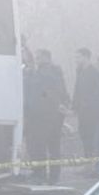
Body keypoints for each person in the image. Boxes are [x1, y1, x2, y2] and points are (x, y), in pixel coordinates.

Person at [24, 49, 69, 185]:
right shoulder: (43, 73)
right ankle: (45, 174)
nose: (37, 60)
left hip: (46, 116)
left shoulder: (49, 74)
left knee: (45, 146)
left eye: (39, 58)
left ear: (47, 58)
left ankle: (45, 175)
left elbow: (48, 93)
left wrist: (44, 101)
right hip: (43, 115)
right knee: (43, 146)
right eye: (36, 58)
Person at [72, 48, 99, 159]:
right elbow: (77, 90)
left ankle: (92, 163)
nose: (76, 59)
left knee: (91, 137)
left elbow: (97, 93)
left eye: (78, 57)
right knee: (84, 135)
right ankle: (88, 161)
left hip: (91, 112)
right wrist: (75, 106)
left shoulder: (94, 73)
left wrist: (88, 104)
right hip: (82, 111)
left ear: (86, 57)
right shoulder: (80, 72)